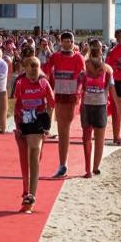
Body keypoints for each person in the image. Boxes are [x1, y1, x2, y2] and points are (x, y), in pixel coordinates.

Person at [11, 49, 55, 212]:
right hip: (23, 123)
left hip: (37, 123)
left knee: (34, 152)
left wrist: (47, 125)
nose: (33, 68)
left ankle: (31, 195)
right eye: (30, 66)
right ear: (25, 67)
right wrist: (17, 125)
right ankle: (26, 189)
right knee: (25, 157)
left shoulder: (44, 83)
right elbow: (17, 104)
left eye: (36, 65)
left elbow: (51, 104)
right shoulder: (21, 83)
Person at [46, 32, 85, 178]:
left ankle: (63, 164)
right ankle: (62, 164)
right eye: (65, 41)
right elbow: (46, 71)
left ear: (73, 42)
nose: (68, 43)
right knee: (61, 129)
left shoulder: (78, 57)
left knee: (65, 129)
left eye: (70, 41)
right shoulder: (55, 56)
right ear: (61, 42)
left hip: (71, 96)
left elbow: (82, 77)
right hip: (59, 95)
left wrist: (78, 94)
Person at [78, 44, 113, 178]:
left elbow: (110, 88)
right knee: (96, 138)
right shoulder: (106, 69)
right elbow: (111, 90)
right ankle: (92, 168)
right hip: (96, 106)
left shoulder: (89, 69)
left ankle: (91, 168)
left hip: (91, 106)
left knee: (90, 138)